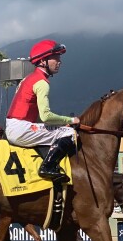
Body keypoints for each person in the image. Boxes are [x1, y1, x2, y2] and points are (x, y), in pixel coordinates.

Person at [5, 39, 80, 183]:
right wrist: (71, 120)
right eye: (56, 58)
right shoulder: (42, 83)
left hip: (15, 125)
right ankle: (48, 167)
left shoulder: (29, 78)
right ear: (43, 61)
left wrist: (59, 125)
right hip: (21, 128)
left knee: (61, 129)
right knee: (70, 133)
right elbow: (45, 116)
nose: (59, 62)